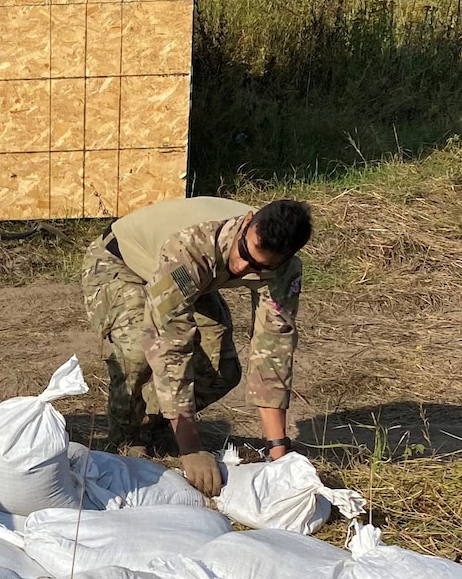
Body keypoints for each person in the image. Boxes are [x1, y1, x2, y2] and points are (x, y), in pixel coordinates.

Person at [81, 194, 312, 496]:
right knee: (138, 351)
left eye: (257, 266)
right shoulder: (191, 244)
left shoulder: (285, 270)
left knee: (221, 369)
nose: (242, 267)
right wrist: (191, 448)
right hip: (121, 263)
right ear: (246, 224)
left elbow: (274, 351)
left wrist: (278, 453)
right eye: (245, 252)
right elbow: (169, 341)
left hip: (195, 277)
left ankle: (157, 421)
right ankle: (125, 440)